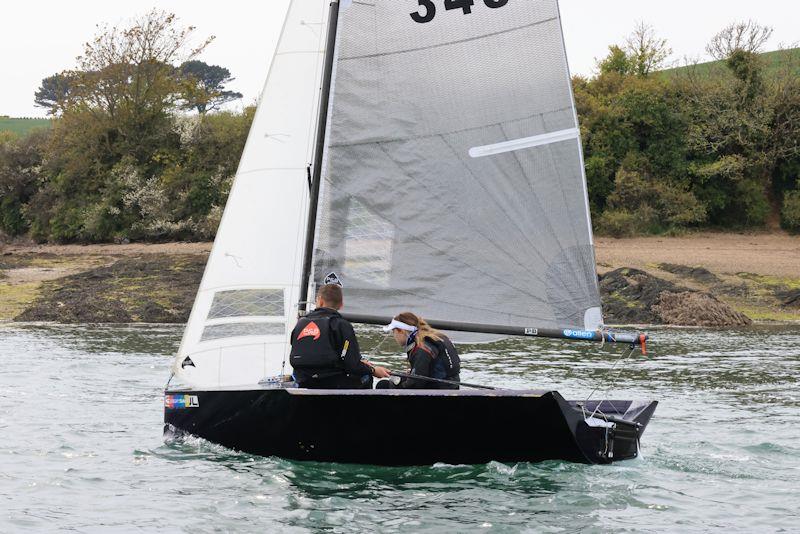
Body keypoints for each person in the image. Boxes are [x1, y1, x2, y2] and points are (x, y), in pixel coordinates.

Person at [290, 284, 390, 389]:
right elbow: (352, 365)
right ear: (341, 305)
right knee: (366, 376)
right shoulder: (342, 325)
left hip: (304, 382)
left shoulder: (300, 324)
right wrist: (373, 370)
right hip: (332, 383)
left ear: (319, 300)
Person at [377, 312, 461, 390]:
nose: (393, 335)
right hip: (451, 386)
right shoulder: (436, 337)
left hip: (437, 391)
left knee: (383, 385)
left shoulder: (421, 349)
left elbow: (415, 385)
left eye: (393, 331)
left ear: (401, 331)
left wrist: (395, 383)